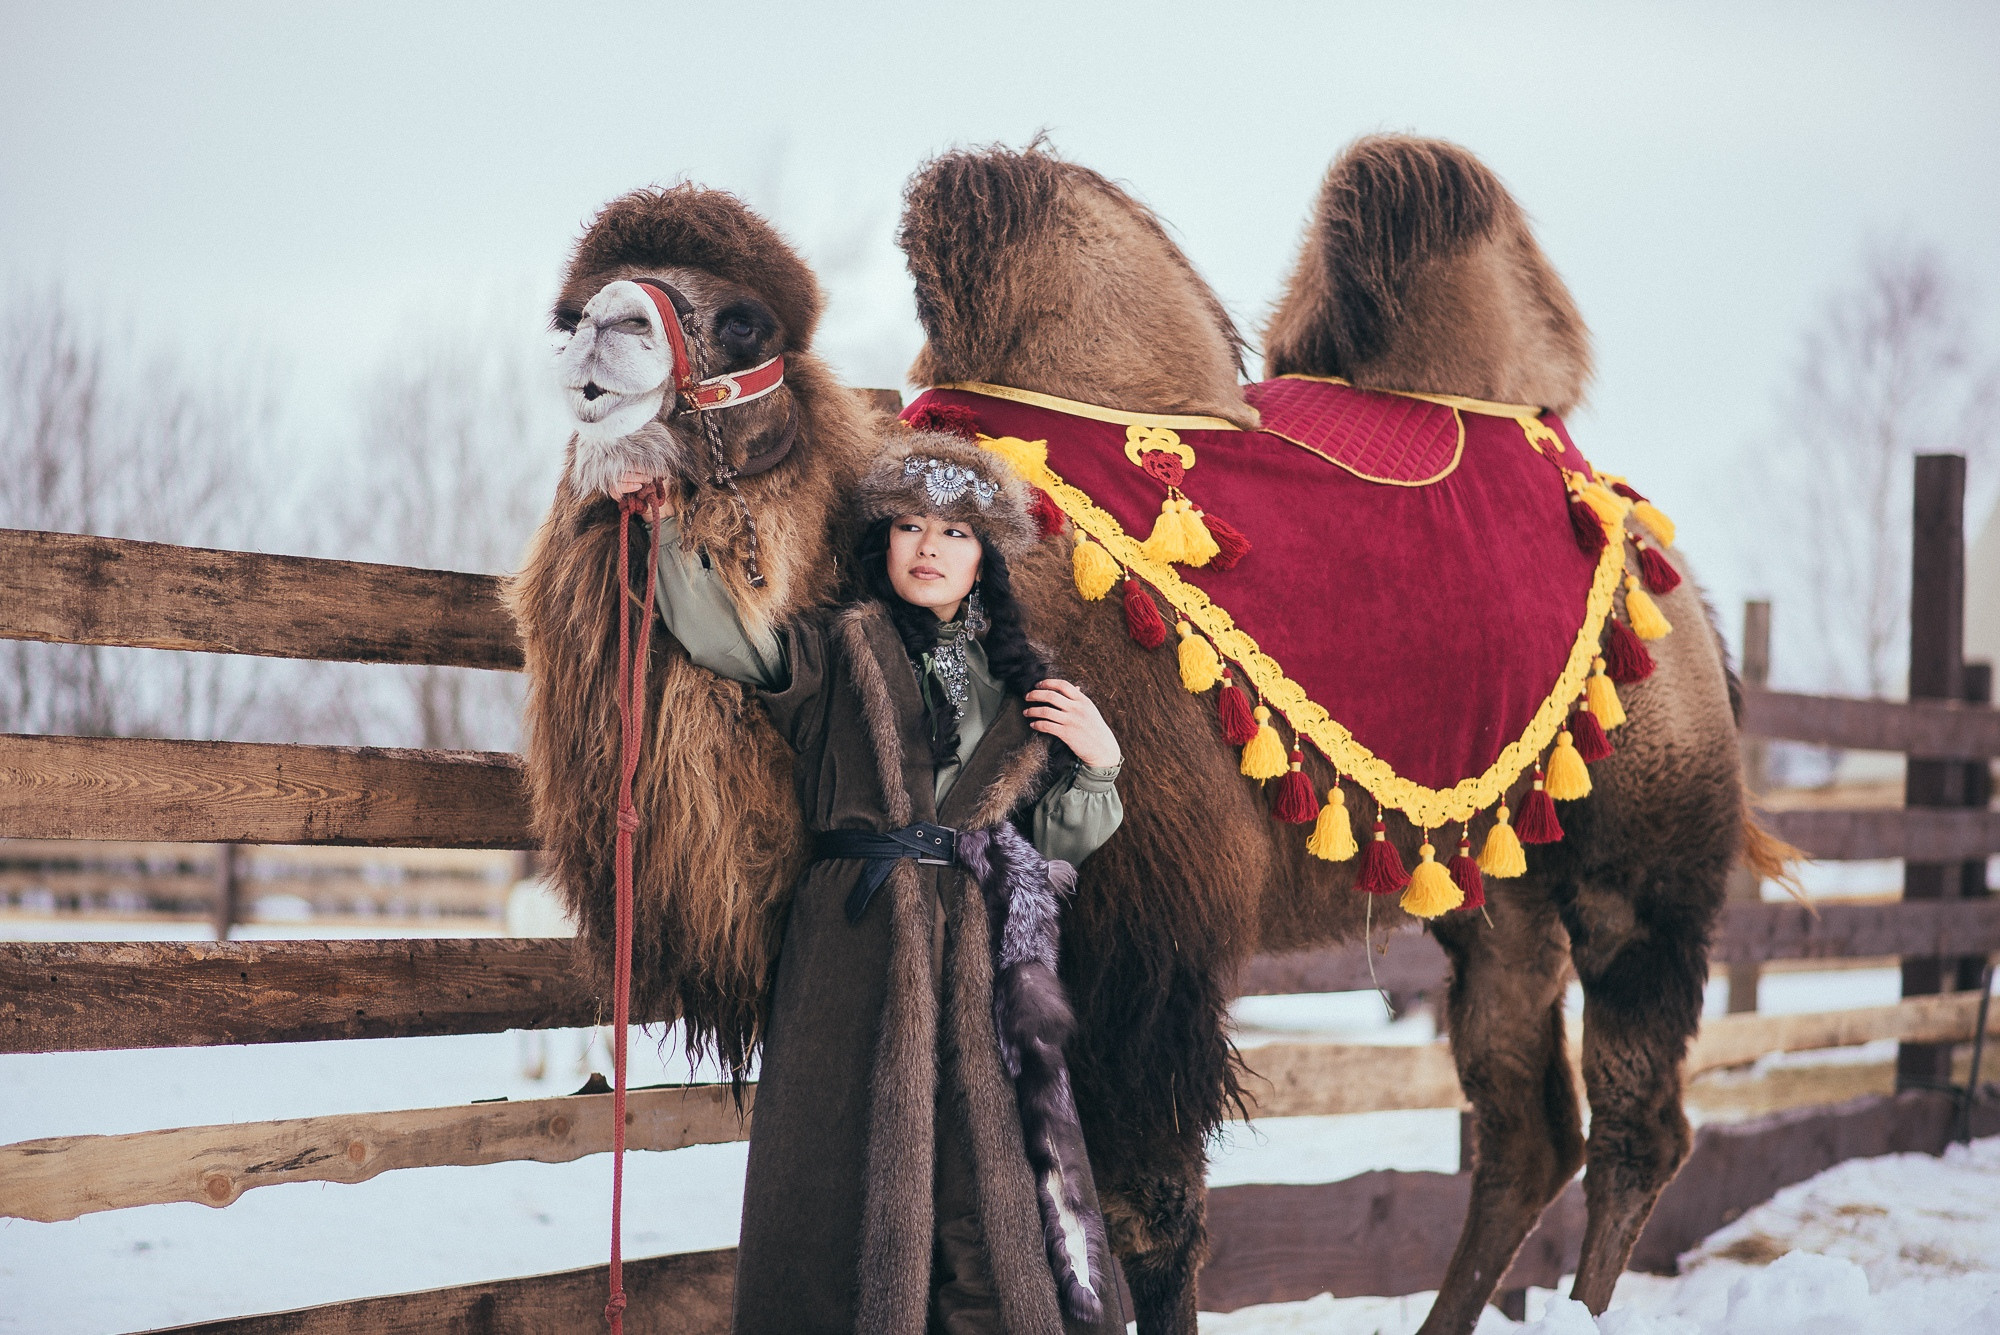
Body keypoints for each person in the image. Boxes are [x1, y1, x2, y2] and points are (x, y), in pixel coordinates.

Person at [613, 430, 1126, 1334]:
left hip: (973, 955)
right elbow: (727, 639)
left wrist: (1096, 765)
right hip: (850, 947)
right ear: (884, 540)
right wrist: (660, 530)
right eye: (912, 525)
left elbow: (1045, 853)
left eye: (957, 533)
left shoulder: (1020, 682)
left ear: (986, 558)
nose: (931, 547)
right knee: (841, 1183)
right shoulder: (830, 649)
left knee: (980, 1188)